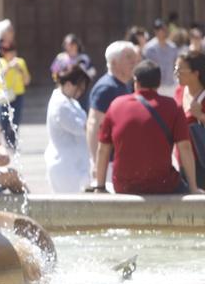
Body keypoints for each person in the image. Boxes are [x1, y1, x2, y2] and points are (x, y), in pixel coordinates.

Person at [94, 60, 201, 195]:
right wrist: (193, 188)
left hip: (124, 186)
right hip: (162, 184)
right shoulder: (173, 106)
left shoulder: (116, 105)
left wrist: (100, 187)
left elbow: (103, 149)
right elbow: (185, 147)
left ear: (136, 81)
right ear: (159, 83)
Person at [86, 41, 139, 186]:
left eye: (134, 57)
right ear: (114, 62)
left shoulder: (124, 85)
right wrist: (97, 163)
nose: (134, 61)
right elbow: (93, 125)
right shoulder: (106, 88)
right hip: (108, 164)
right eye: (128, 57)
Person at [45, 65, 91, 193]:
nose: (81, 93)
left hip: (73, 165)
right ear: (70, 84)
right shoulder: (61, 105)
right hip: (66, 168)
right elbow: (82, 128)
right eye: (80, 88)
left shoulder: (70, 101)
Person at [173, 50, 205, 188]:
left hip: (201, 162)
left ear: (196, 73)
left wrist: (201, 116)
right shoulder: (179, 91)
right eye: (175, 68)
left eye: (180, 69)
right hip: (182, 161)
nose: (176, 73)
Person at [0, 42, 30, 151]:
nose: (11, 54)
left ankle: (13, 142)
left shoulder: (20, 62)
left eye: (13, 51)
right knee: (3, 120)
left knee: (16, 119)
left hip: (18, 94)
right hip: (4, 95)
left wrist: (20, 70)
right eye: (9, 52)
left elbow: (27, 80)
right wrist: (9, 67)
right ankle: (7, 139)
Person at [143, 19, 179, 97]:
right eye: (158, 29)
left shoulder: (173, 47)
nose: (162, 32)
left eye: (163, 29)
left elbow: (175, 64)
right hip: (156, 86)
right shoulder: (149, 48)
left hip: (170, 84)